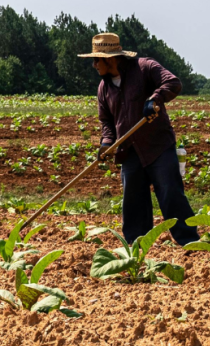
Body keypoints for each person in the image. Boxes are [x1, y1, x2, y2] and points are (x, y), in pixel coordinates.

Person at [82, 32, 199, 246]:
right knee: (133, 203)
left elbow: (173, 83)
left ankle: (190, 243)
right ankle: (136, 248)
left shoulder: (145, 68)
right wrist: (106, 144)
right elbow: (107, 122)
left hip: (158, 146)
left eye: (96, 59)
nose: (94, 64)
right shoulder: (103, 88)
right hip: (128, 151)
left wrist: (155, 99)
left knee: (170, 194)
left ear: (109, 58)